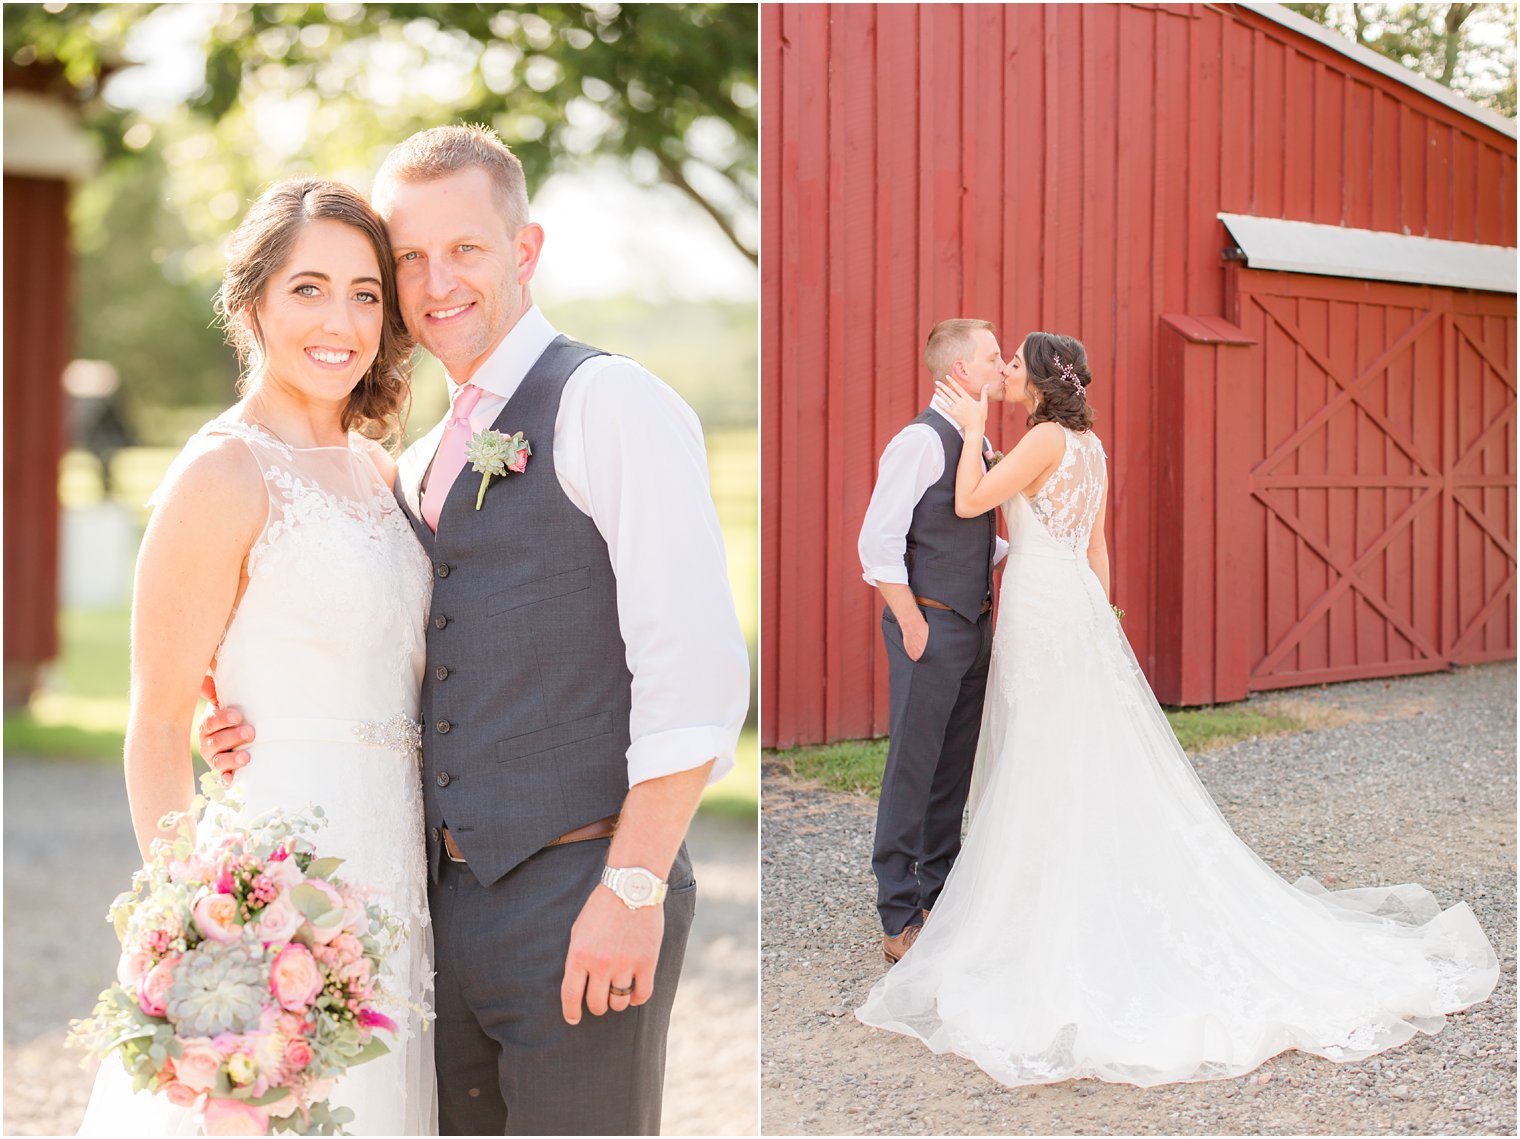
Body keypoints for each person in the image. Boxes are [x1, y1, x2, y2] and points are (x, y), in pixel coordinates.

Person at [201, 124, 749, 1135]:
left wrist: (631, 886)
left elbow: (697, 668)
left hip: (582, 884)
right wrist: (246, 717)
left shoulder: (608, 401)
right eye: (407, 258)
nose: (435, 280)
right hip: (437, 907)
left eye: (465, 249)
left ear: (525, 251)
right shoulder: (412, 467)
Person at [856, 330, 1500, 1087]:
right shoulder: (1089, 447)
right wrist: (1098, 617)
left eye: (1013, 359)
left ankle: (1034, 917)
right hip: (1066, 606)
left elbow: (972, 502)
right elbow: (1095, 545)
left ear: (1032, 380)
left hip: (1039, 610)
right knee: (1066, 754)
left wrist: (971, 436)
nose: (1003, 368)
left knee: (1041, 757)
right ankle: (983, 903)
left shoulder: (1031, 442)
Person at [78, 178, 436, 1134]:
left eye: (366, 292)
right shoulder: (221, 470)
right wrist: (196, 935)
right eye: (308, 288)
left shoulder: (383, 471)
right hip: (280, 876)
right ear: (252, 304)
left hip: (398, 859)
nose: (342, 320)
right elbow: (155, 724)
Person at [856, 318, 1008, 965]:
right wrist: (912, 621)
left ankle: (939, 897)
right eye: (994, 357)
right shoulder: (919, 443)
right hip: (932, 625)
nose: (1003, 366)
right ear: (961, 372)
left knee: (952, 770)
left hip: (974, 625)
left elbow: (973, 534)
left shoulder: (981, 441)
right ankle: (898, 911)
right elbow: (877, 541)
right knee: (913, 767)